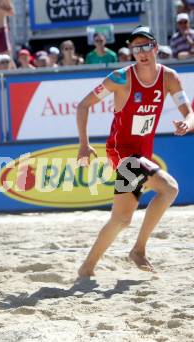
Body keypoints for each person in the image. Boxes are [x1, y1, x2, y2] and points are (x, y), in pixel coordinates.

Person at [76, 26, 194, 277]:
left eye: (145, 46)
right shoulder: (121, 77)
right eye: (135, 48)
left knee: (121, 219)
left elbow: (189, 112)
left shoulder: (170, 77)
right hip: (123, 153)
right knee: (169, 188)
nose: (140, 52)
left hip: (142, 154)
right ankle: (138, 250)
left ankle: (87, 268)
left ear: (155, 47)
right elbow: (83, 105)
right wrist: (84, 144)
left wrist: (187, 123)